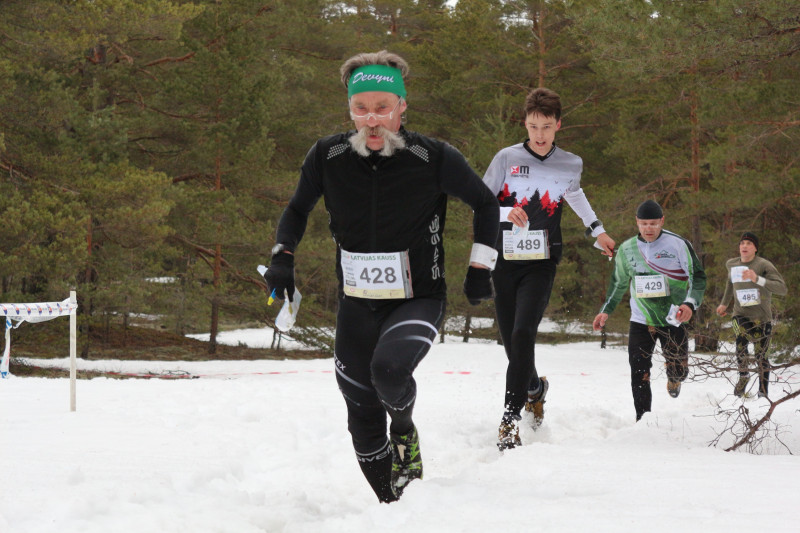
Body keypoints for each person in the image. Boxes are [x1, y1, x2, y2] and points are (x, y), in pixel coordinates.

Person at [263, 50, 500, 503]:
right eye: (361, 109)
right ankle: (392, 508)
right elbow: (296, 209)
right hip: (356, 304)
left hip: (418, 298)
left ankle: (405, 431)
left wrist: (479, 267)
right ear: (350, 110)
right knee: (361, 414)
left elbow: (486, 204)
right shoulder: (327, 155)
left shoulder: (432, 157)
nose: (372, 121)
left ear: (402, 107)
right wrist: (282, 259)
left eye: (382, 109)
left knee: (389, 372)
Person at [482, 87, 615, 450]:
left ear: (558, 125)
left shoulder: (570, 163)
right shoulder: (507, 158)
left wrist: (597, 230)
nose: (539, 135)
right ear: (525, 124)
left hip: (542, 261)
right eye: (532, 126)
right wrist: (503, 212)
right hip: (505, 258)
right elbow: (480, 201)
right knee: (512, 343)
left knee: (524, 333)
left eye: (546, 127)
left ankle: (509, 421)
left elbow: (573, 193)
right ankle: (534, 389)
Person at [592, 200, 706, 422]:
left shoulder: (678, 244)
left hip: (673, 318)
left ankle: (674, 377)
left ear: (662, 221)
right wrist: (606, 311)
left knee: (679, 370)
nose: (648, 228)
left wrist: (690, 303)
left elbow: (697, 277)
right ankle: (642, 419)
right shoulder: (626, 249)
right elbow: (618, 284)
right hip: (640, 320)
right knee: (638, 371)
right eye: (644, 224)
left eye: (653, 223)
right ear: (637, 222)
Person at [715, 232, 786, 398]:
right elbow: (730, 282)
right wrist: (724, 303)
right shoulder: (731, 264)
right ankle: (743, 375)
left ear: (755, 248)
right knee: (741, 339)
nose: (744, 246)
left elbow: (782, 288)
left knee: (762, 355)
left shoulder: (763, 265)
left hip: (762, 317)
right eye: (742, 243)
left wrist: (758, 279)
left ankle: (763, 393)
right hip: (740, 314)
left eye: (749, 243)